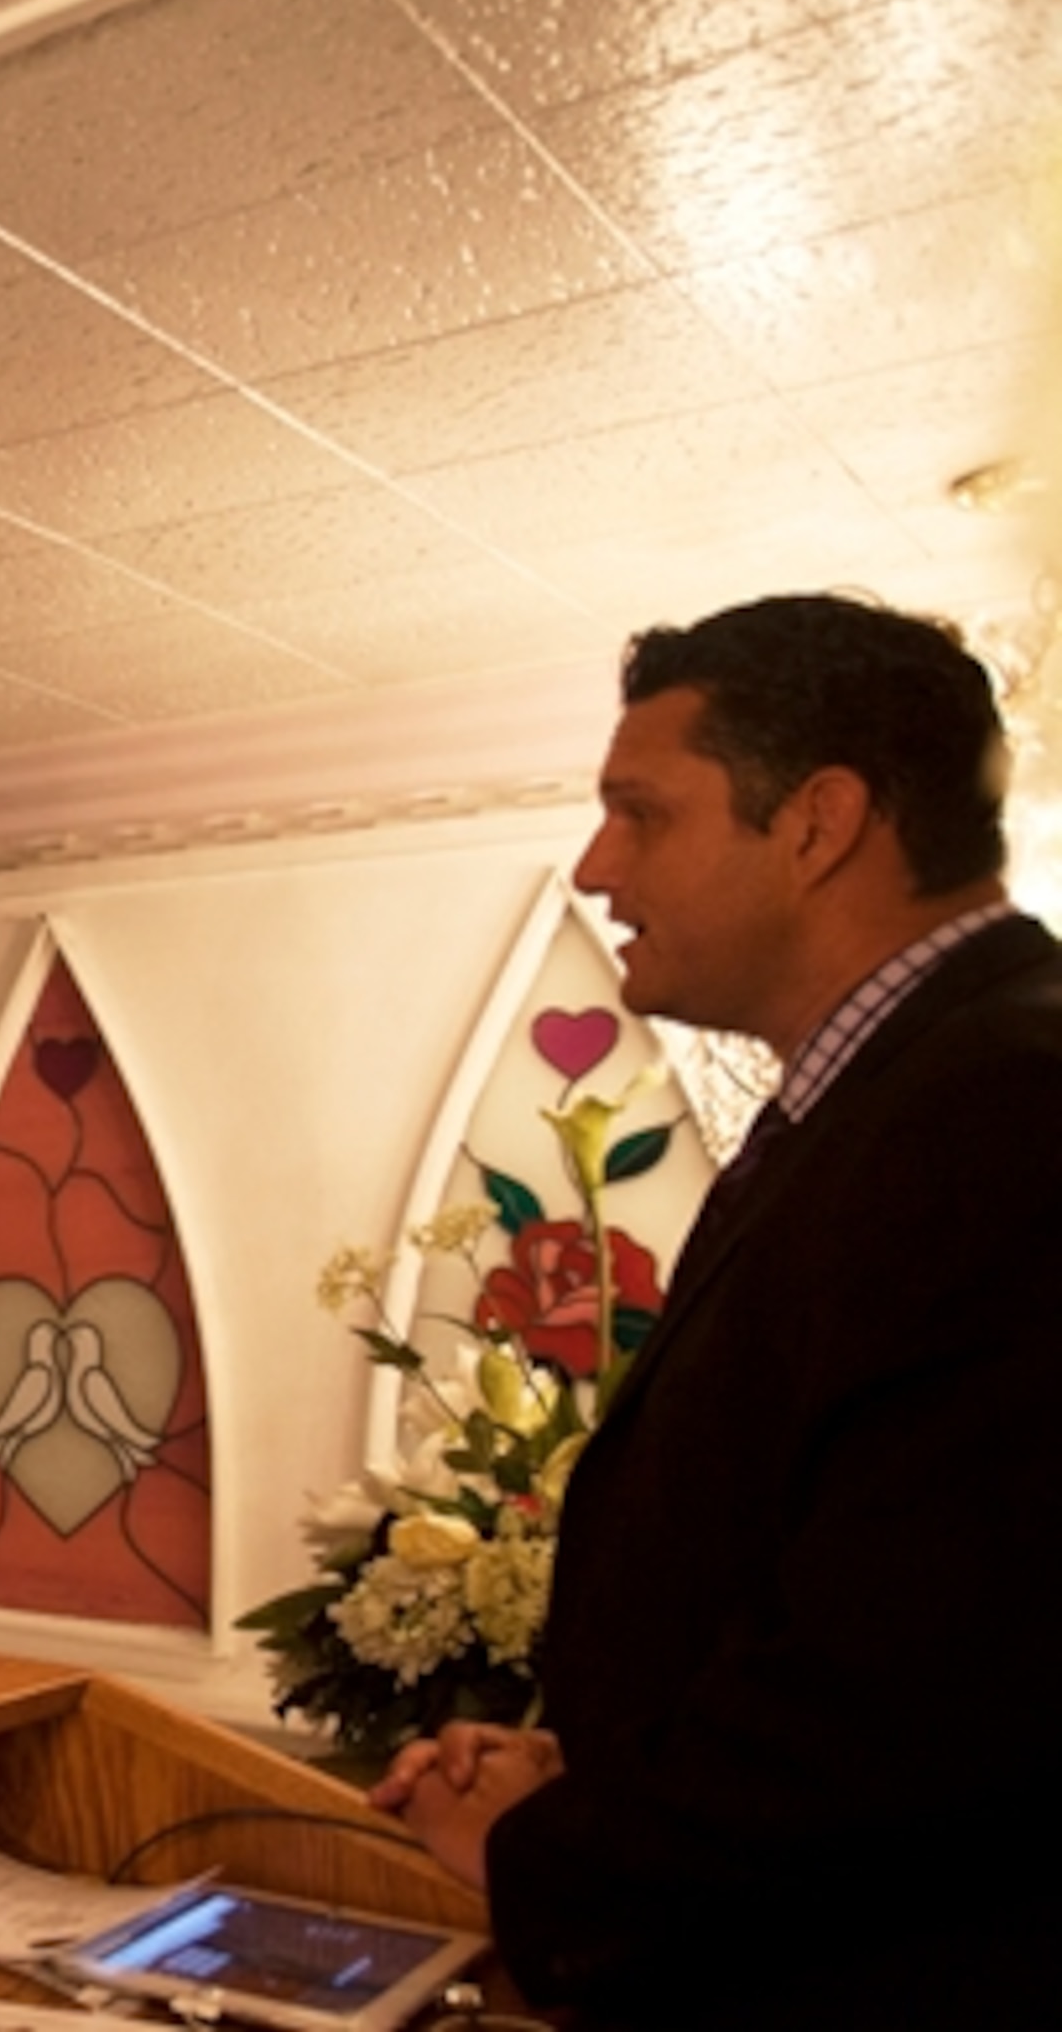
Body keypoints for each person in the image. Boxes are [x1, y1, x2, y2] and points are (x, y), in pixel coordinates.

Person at [368, 595, 1062, 2025]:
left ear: (818, 823)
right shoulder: (881, 1099)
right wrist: (609, 1766)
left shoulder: (1011, 1099)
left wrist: (544, 1854)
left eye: (642, 812)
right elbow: (824, 1547)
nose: (596, 864)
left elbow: (923, 1698)